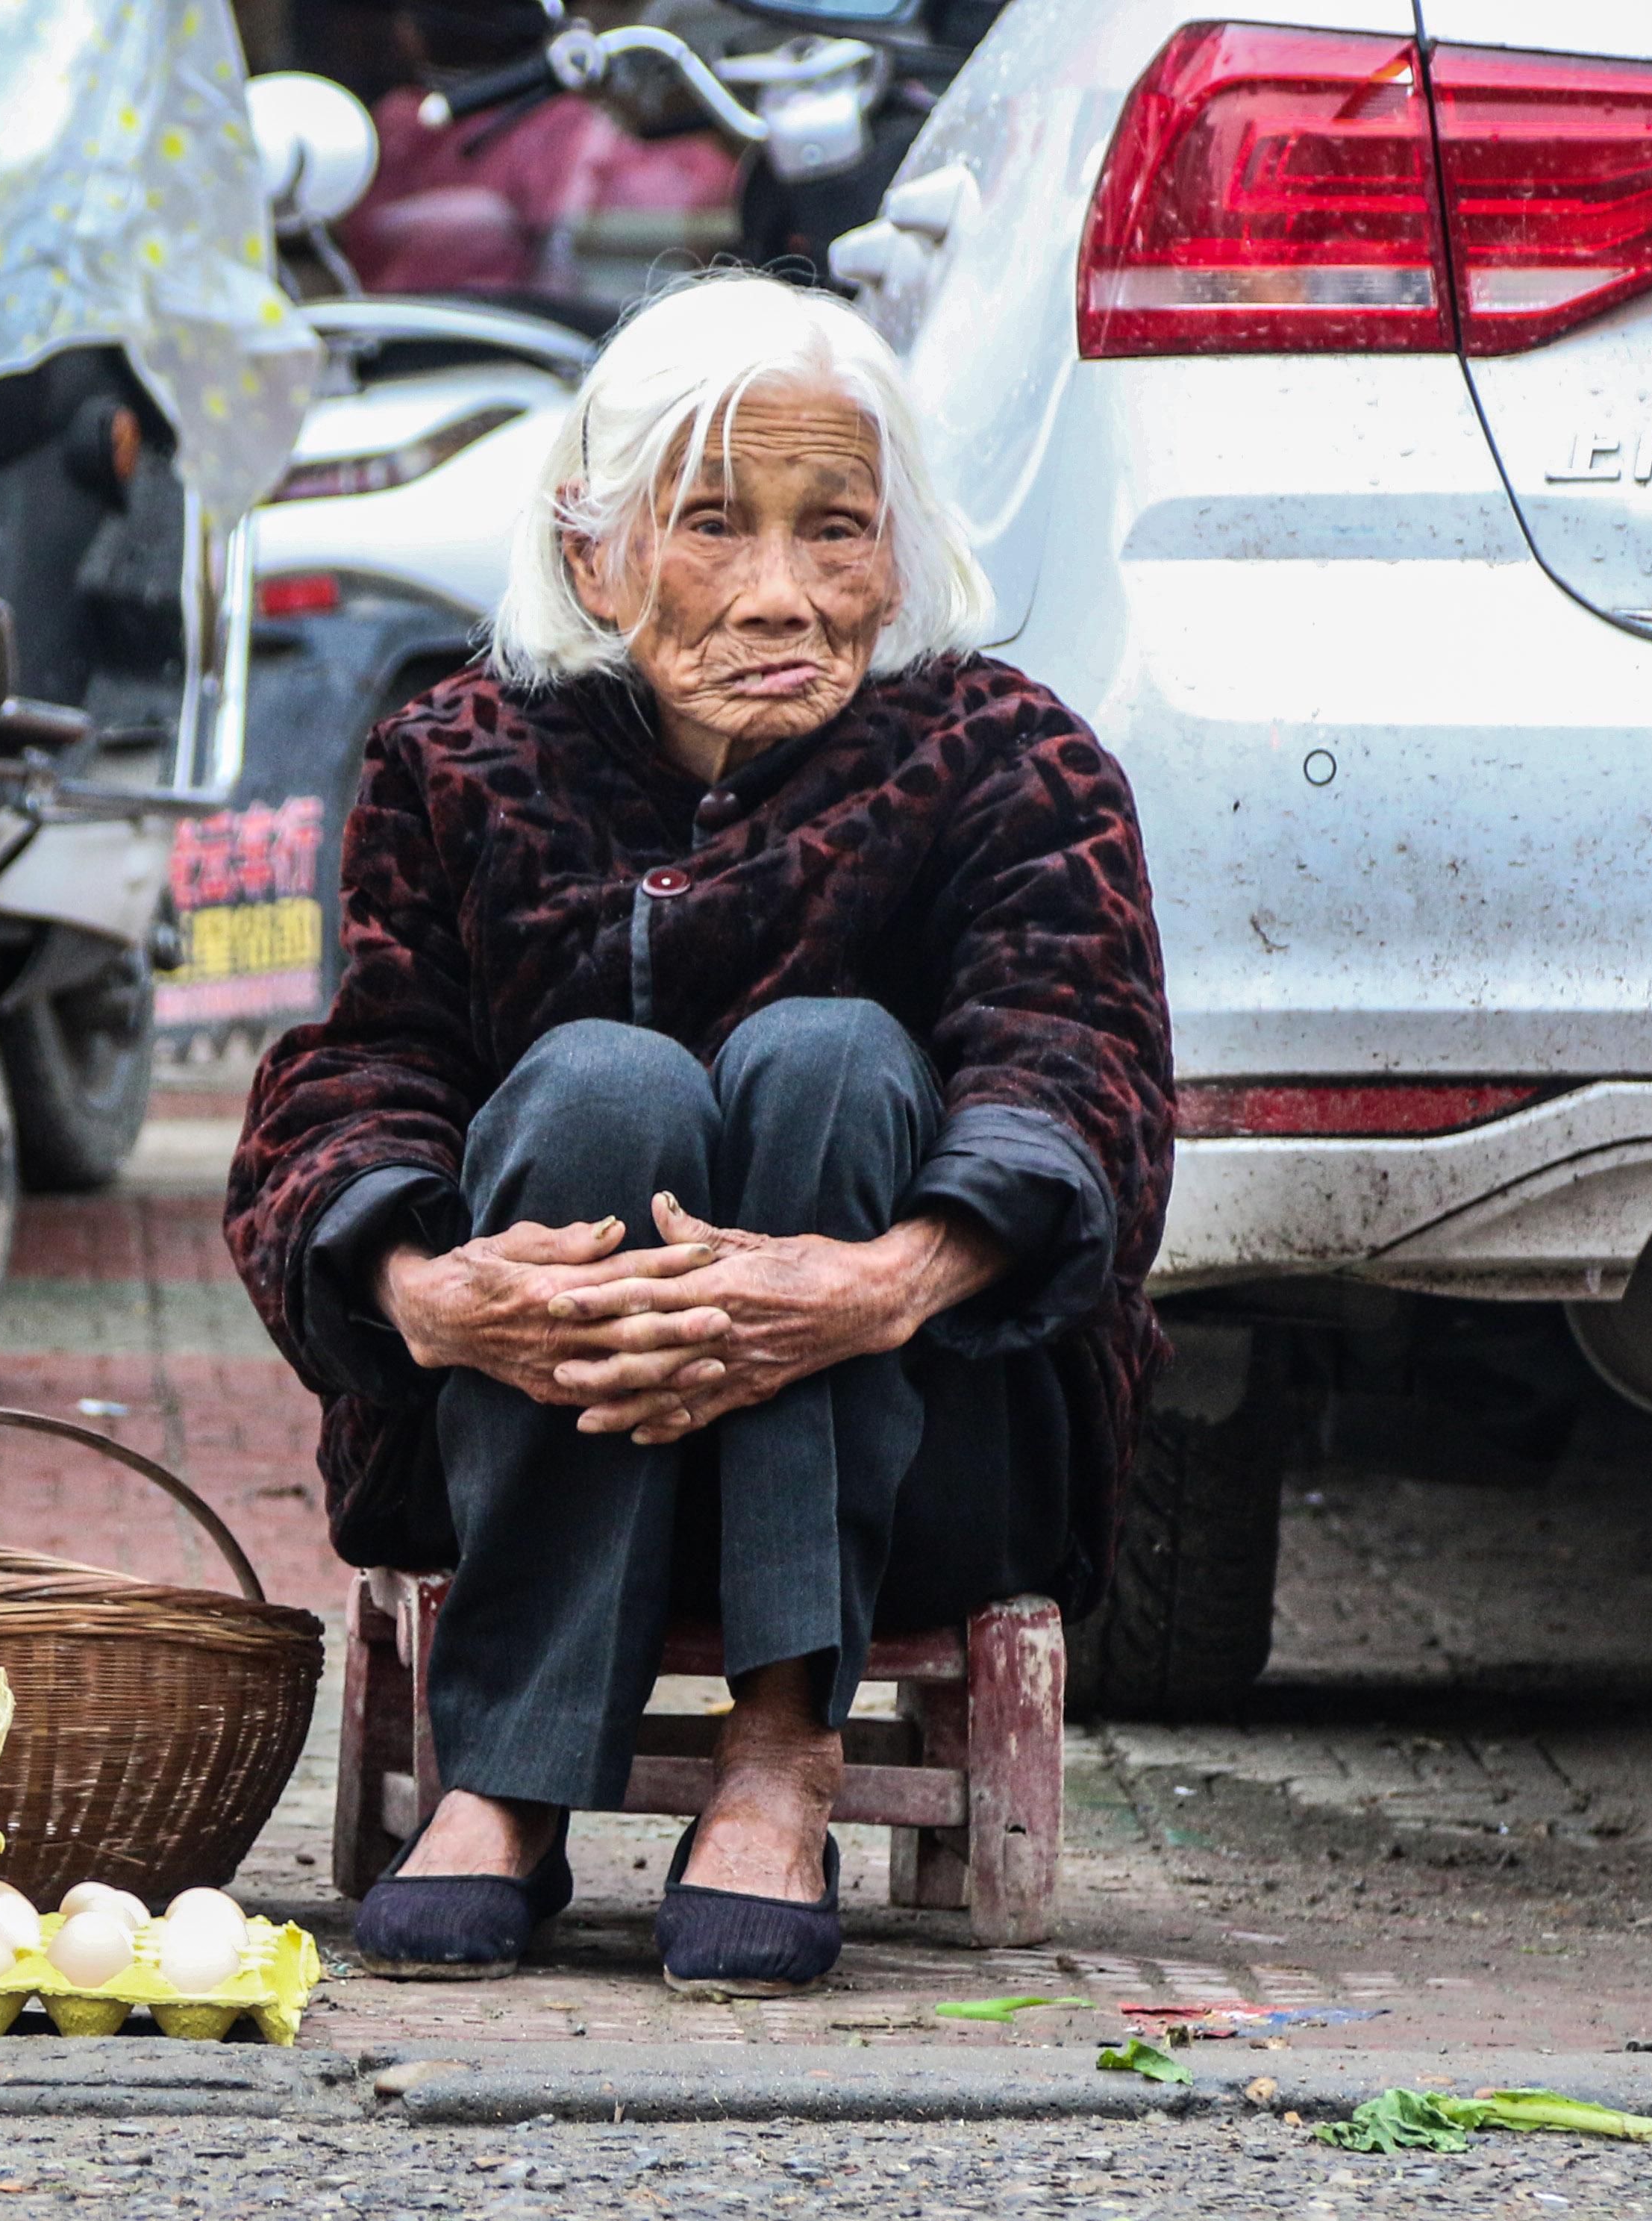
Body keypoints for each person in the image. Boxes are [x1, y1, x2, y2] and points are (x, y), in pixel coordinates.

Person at [223, 272, 1170, 1993]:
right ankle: (506, 1774)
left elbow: (1078, 1077)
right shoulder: (461, 761)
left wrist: (882, 1282)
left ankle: (783, 1749)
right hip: (525, 1437)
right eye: (715, 525)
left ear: (900, 555)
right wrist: (429, 1289)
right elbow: (359, 1076)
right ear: (595, 553)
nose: (784, 594)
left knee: (829, 1059)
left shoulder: (1007, 759)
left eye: (838, 531)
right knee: (603, 1088)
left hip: (928, 1449)